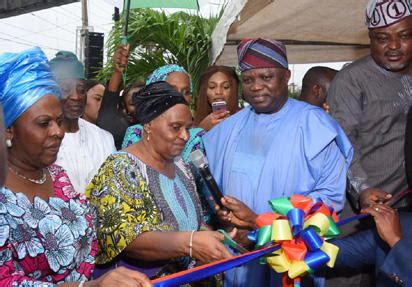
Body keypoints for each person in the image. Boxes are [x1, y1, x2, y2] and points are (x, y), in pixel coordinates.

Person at [203, 38, 353, 286]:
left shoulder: (316, 127)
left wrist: (258, 223)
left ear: (286, 76)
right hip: (238, 259)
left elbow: (328, 201)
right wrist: (224, 215)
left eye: (266, 77)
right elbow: (211, 189)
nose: (256, 87)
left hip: (292, 259)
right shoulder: (225, 130)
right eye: (249, 80)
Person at [0, 47, 151, 287]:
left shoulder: (58, 177)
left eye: (58, 121)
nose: (58, 131)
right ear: (9, 129)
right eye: (43, 123)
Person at [86, 81, 232, 280]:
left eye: (188, 128)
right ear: (149, 125)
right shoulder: (121, 167)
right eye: (175, 127)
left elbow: (192, 224)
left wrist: (219, 239)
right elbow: (126, 239)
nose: (185, 136)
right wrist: (189, 243)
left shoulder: (181, 165)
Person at [326, 0, 412, 210]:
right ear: (370, 39)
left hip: (407, 205)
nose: (393, 46)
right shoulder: (352, 80)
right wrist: (362, 188)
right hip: (368, 210)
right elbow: (340, 144)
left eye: (405, 36)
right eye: (382, 38)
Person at [49, 51, 116, 194]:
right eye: (66, 89)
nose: (76, 97)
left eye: (81, 90)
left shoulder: (104, 139)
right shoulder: (42, 140)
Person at [333, 205, 412, 287]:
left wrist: (395, 242)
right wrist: (319, 240)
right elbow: (343, 251)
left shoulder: (395, 230)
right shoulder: (403, 223)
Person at [194, 65, 240, 131]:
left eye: (225, 87)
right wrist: (201, 129)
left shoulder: (244, 118)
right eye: (212, 87)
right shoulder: (191, 122)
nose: (218, 92)